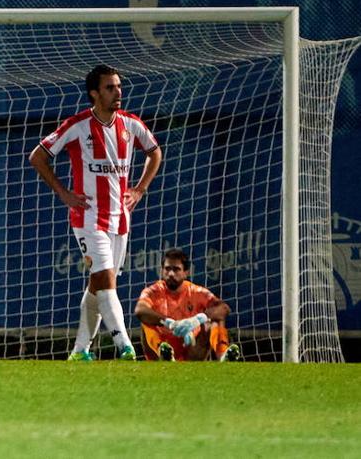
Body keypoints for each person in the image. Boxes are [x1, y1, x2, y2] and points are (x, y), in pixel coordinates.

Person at [29, 63, 162, 361]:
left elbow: (155, 152)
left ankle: (79, 350)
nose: (118, 92)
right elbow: (37, 156)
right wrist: (62, 192)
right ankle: (125, 346)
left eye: (118, 86)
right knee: (106, 280)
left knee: (99, 283)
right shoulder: (77, 125)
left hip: (120, 217)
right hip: (88, 218)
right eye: (110, 87)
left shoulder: (130, 124)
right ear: (94, 93)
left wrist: (139, 189)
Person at [134, 248, 242, 362]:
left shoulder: (197, 292)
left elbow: (224, 308)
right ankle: (164, 353)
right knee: (146, 320)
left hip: (191, 350)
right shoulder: (153, 291)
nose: (171, 273)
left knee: (214, 319)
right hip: (160, 349)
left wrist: (197, 319)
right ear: (161, 271)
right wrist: (169, 323)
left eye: (176, 269)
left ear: (186, 273)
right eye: (167, 269)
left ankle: (224, 355)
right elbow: (140, 310)